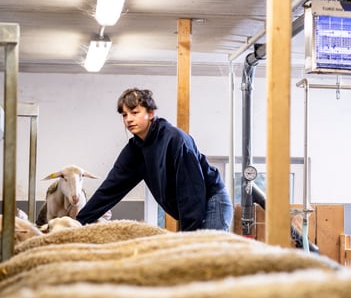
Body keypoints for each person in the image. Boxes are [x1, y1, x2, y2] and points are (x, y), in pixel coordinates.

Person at [76, 87, 233, 231]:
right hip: (190, 205)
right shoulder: (134, 151)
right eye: (124, 115)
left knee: (202, 250)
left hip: (211, 200)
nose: (128, 119)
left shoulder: (175, 140)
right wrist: (78, 222)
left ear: (150, 113)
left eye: (134, 112)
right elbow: (110, 188)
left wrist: (188, 234)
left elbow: (191, 189)